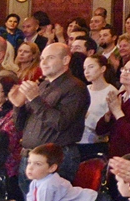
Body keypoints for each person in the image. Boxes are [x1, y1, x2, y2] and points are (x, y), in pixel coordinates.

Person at [10, 43, 89, 188]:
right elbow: (20, 126)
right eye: (42, 59)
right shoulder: (42, 86)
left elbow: (60, 122)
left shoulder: (76, 87)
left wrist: (34, 99)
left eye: (50, 58)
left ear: (65, 60)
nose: (44, 63)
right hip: (29, 157)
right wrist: (18, 105)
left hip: (54, 159)